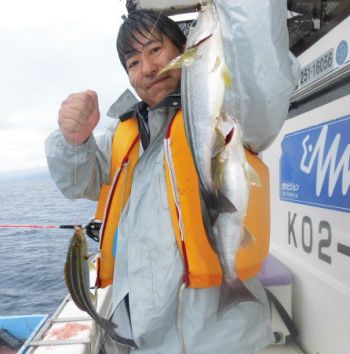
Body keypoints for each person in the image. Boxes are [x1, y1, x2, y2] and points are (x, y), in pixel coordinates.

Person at [46, 9, 292, 354]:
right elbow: (76, 182)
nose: (146, 68)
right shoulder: (125, 133)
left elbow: (258, 70)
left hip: (222, 343)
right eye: (133, 62)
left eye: (155, 50)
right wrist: (73, 140)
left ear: (185, 50)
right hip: (136, 339)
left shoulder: (226, 110)